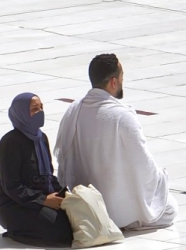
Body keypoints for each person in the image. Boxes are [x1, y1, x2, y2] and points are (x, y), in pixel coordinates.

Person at [55, 54, 178, 230]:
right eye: (122, 77)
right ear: (113, 82)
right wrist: (160, 177)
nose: (122, 81)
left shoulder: (73, 109)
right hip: (113, 209)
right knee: (169, 208)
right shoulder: (122, 116)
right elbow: (143, 165)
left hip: (84, 202)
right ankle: (125, 219)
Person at [0, 92, 73, 246]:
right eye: (35, 109)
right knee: (60, 232)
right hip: (14, 205)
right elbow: (12, 187)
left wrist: (62, 194)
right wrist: (43, 200)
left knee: (73, 223)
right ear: (21, 113)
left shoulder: (41, 138)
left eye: (41, 107)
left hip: (40, 200)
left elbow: (48, 174)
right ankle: (15, 232)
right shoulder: (10, 143)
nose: (40, 112)